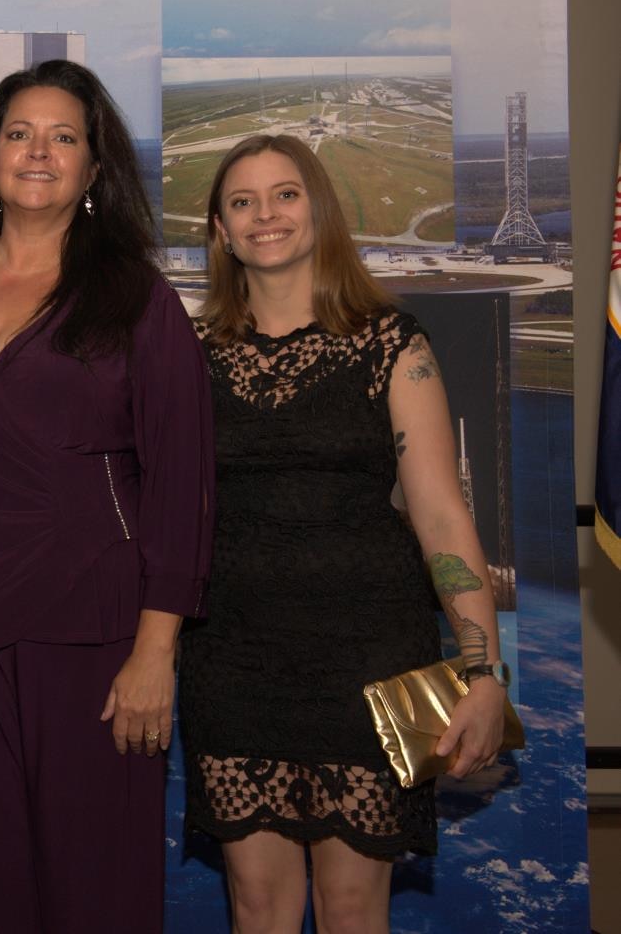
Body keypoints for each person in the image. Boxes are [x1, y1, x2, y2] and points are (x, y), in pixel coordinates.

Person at [0, 59, 215, 933]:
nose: (39, 152)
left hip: (93, 637)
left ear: (95, 170)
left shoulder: (137, 298)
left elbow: (182, 483)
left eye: (65, 137)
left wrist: (155, 654)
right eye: (20, 133)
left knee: (92, 888)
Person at [177, 133, 510, 931]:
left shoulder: (395, 345)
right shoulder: (187, 356)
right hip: (232, 659)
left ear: (319, 210)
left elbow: (440, 515)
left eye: (286, 194)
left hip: (371, 658)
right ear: (220, 231)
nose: (266, 215)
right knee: (257, 907)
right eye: (243, 201)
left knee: (354, 906)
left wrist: (484, 674)